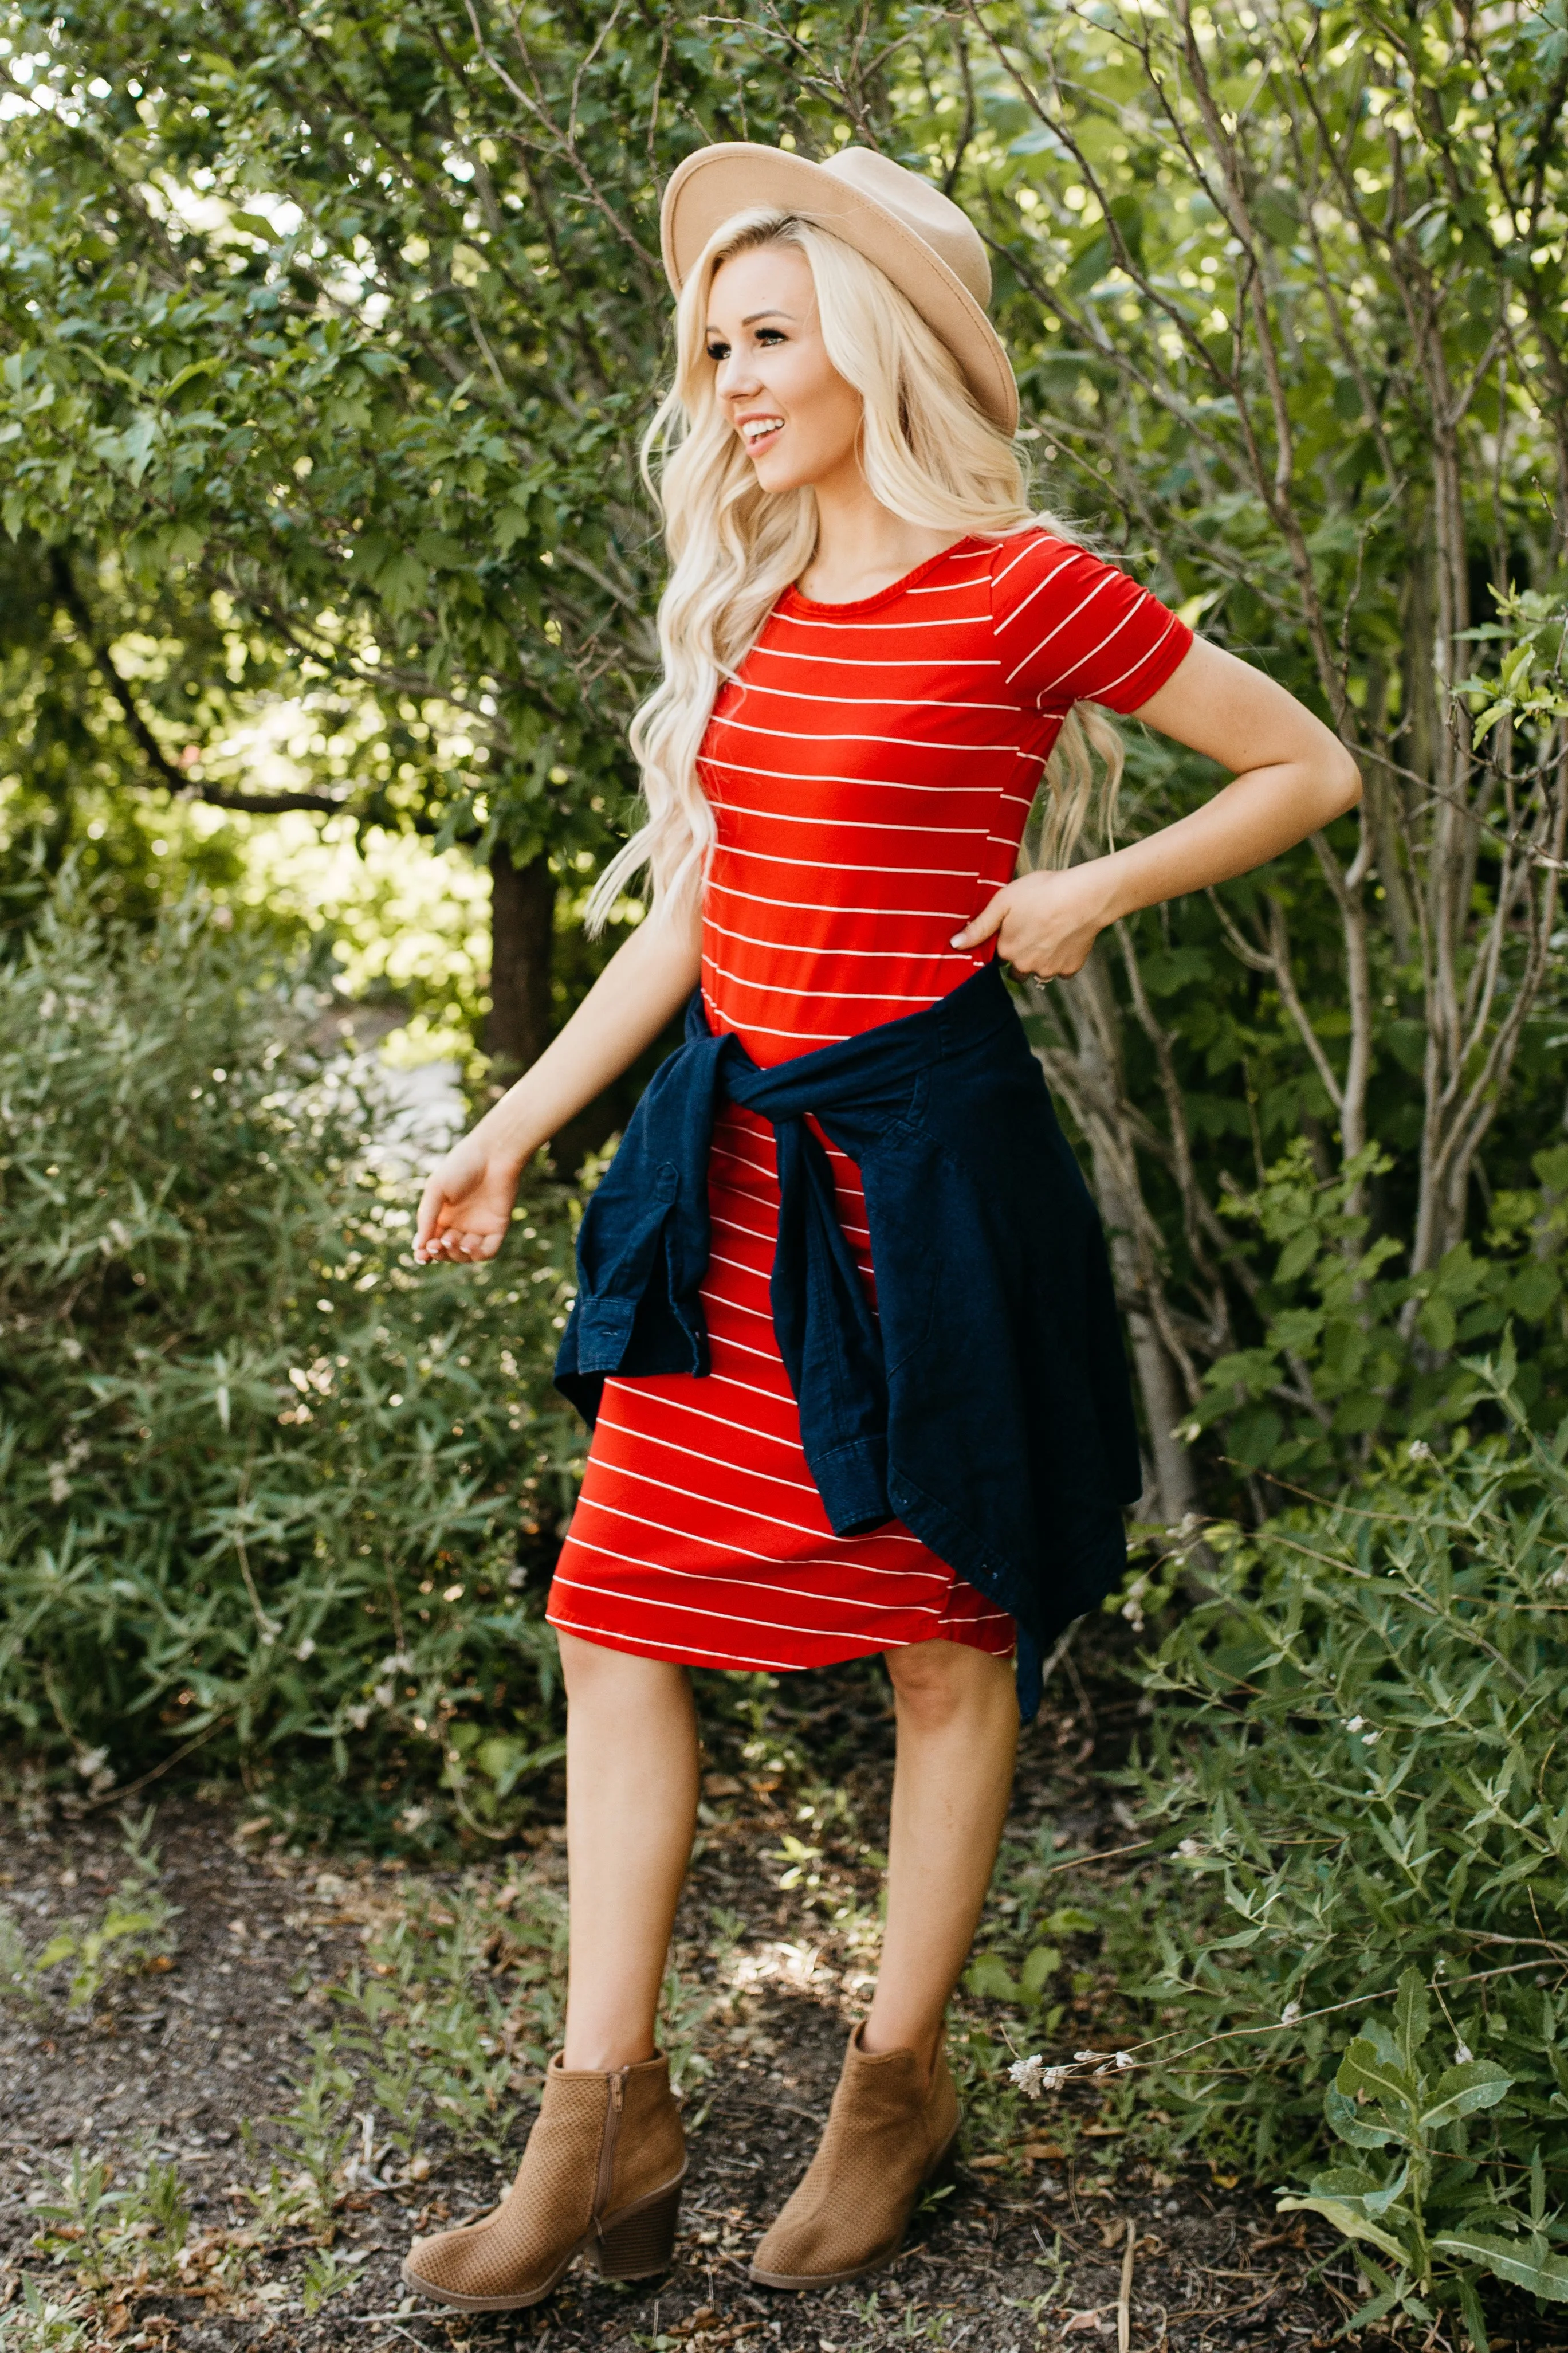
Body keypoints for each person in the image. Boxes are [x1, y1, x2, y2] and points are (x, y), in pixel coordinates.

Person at [400, 143, 1359, 2315]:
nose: (730, 380)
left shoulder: (1019, 583)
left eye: (767, 334)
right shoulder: (765, 614)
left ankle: (895, 2084)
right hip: (733, 1184)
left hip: (920, 1180)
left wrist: (1090, 891)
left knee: (942, 1637)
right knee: (612, 1613)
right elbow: (705, 912)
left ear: (878, 341)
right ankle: (602, 2109)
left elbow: (1303, 767)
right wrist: (524, 1120)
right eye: (712, 346)